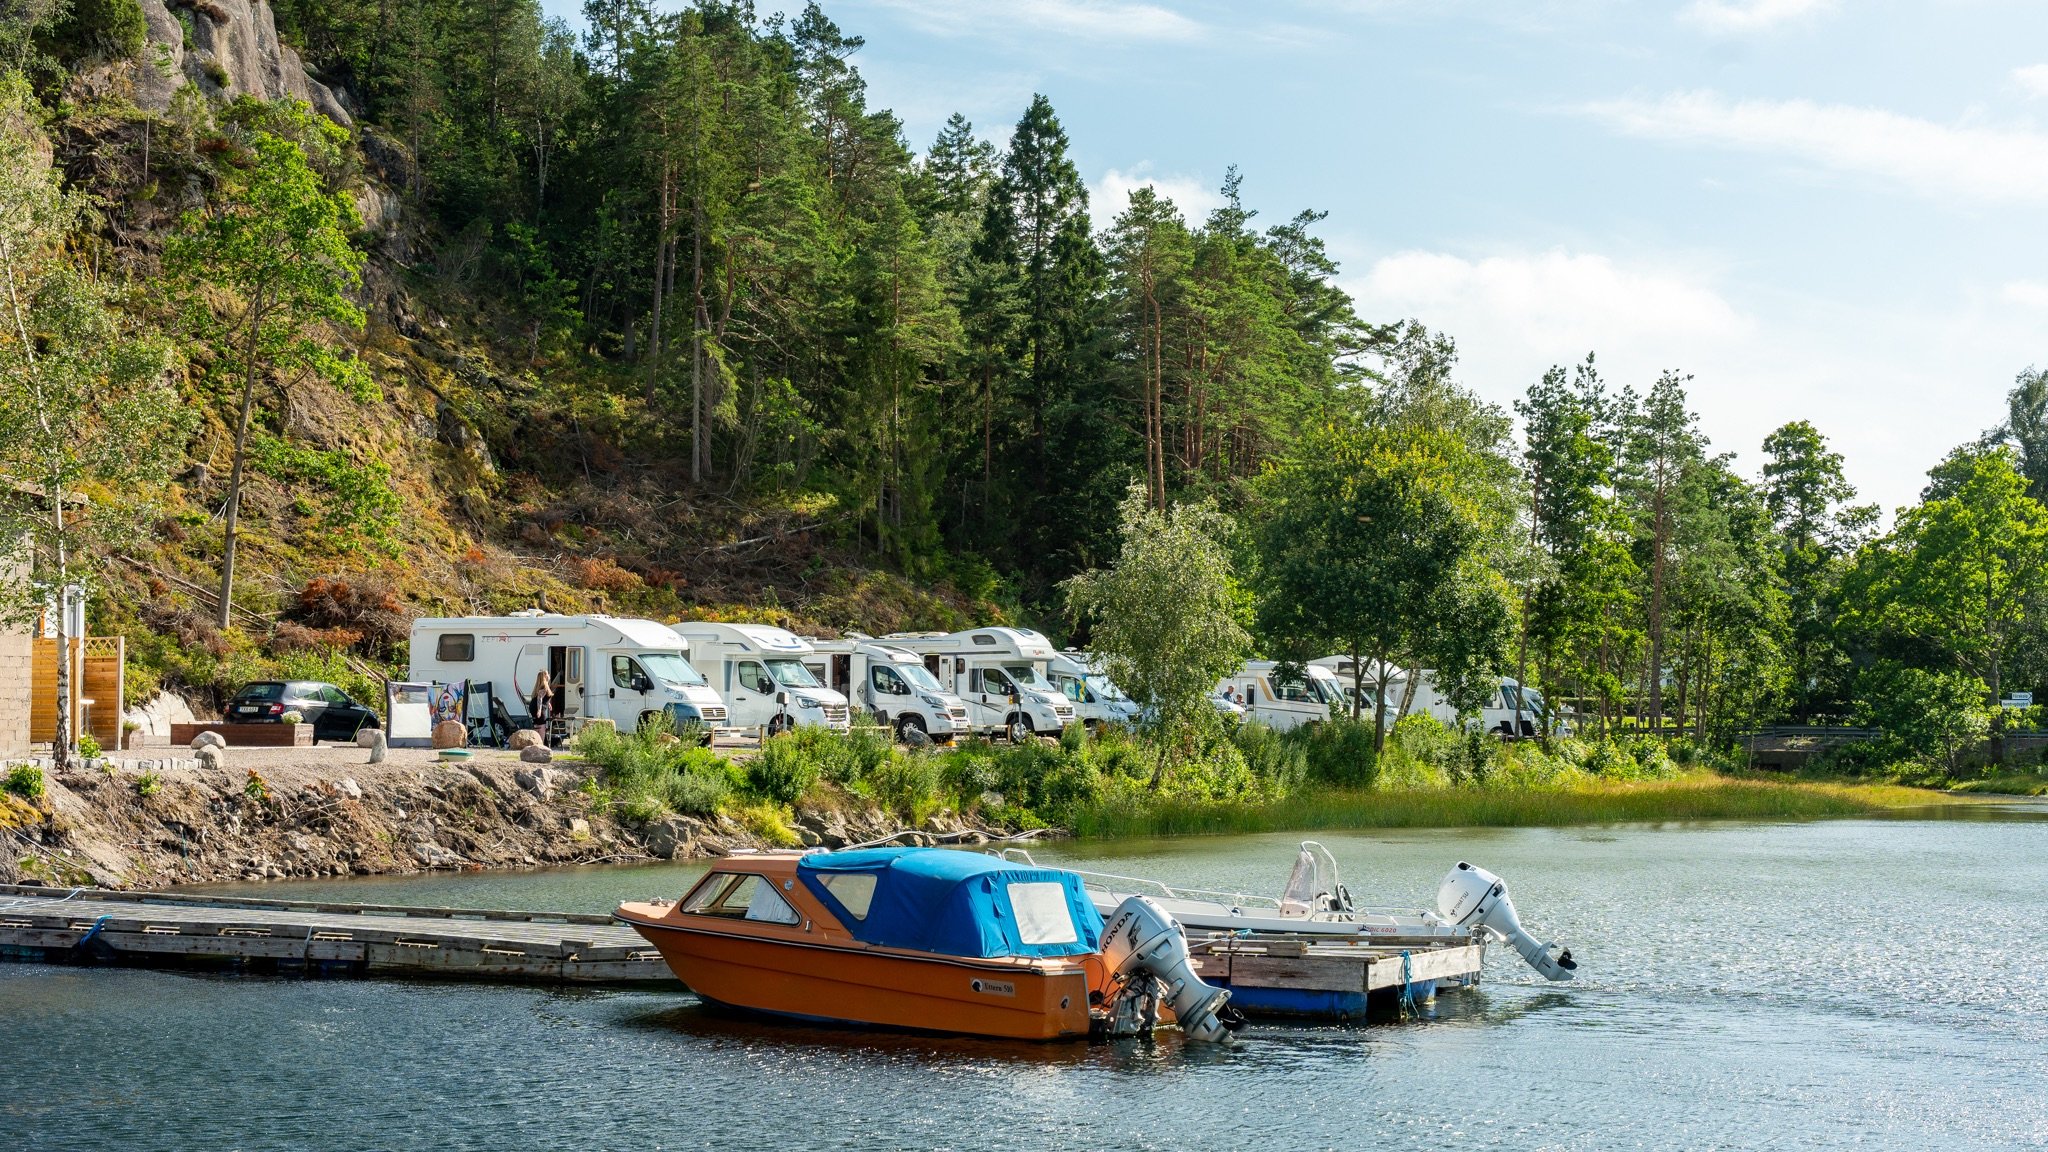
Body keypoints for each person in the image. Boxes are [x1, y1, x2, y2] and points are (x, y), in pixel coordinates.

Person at [529, 669, 555, 740]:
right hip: (538, 707)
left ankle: (536, 743)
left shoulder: (540, 686)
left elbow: (543, 698)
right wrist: (539, 710)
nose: (549, 675)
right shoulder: (544, 686)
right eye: (547, 674)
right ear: (545, 677)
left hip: (533, 707)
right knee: (542, 726)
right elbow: (539, 698)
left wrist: (548, 703)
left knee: (537, 725)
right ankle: (541, 744)